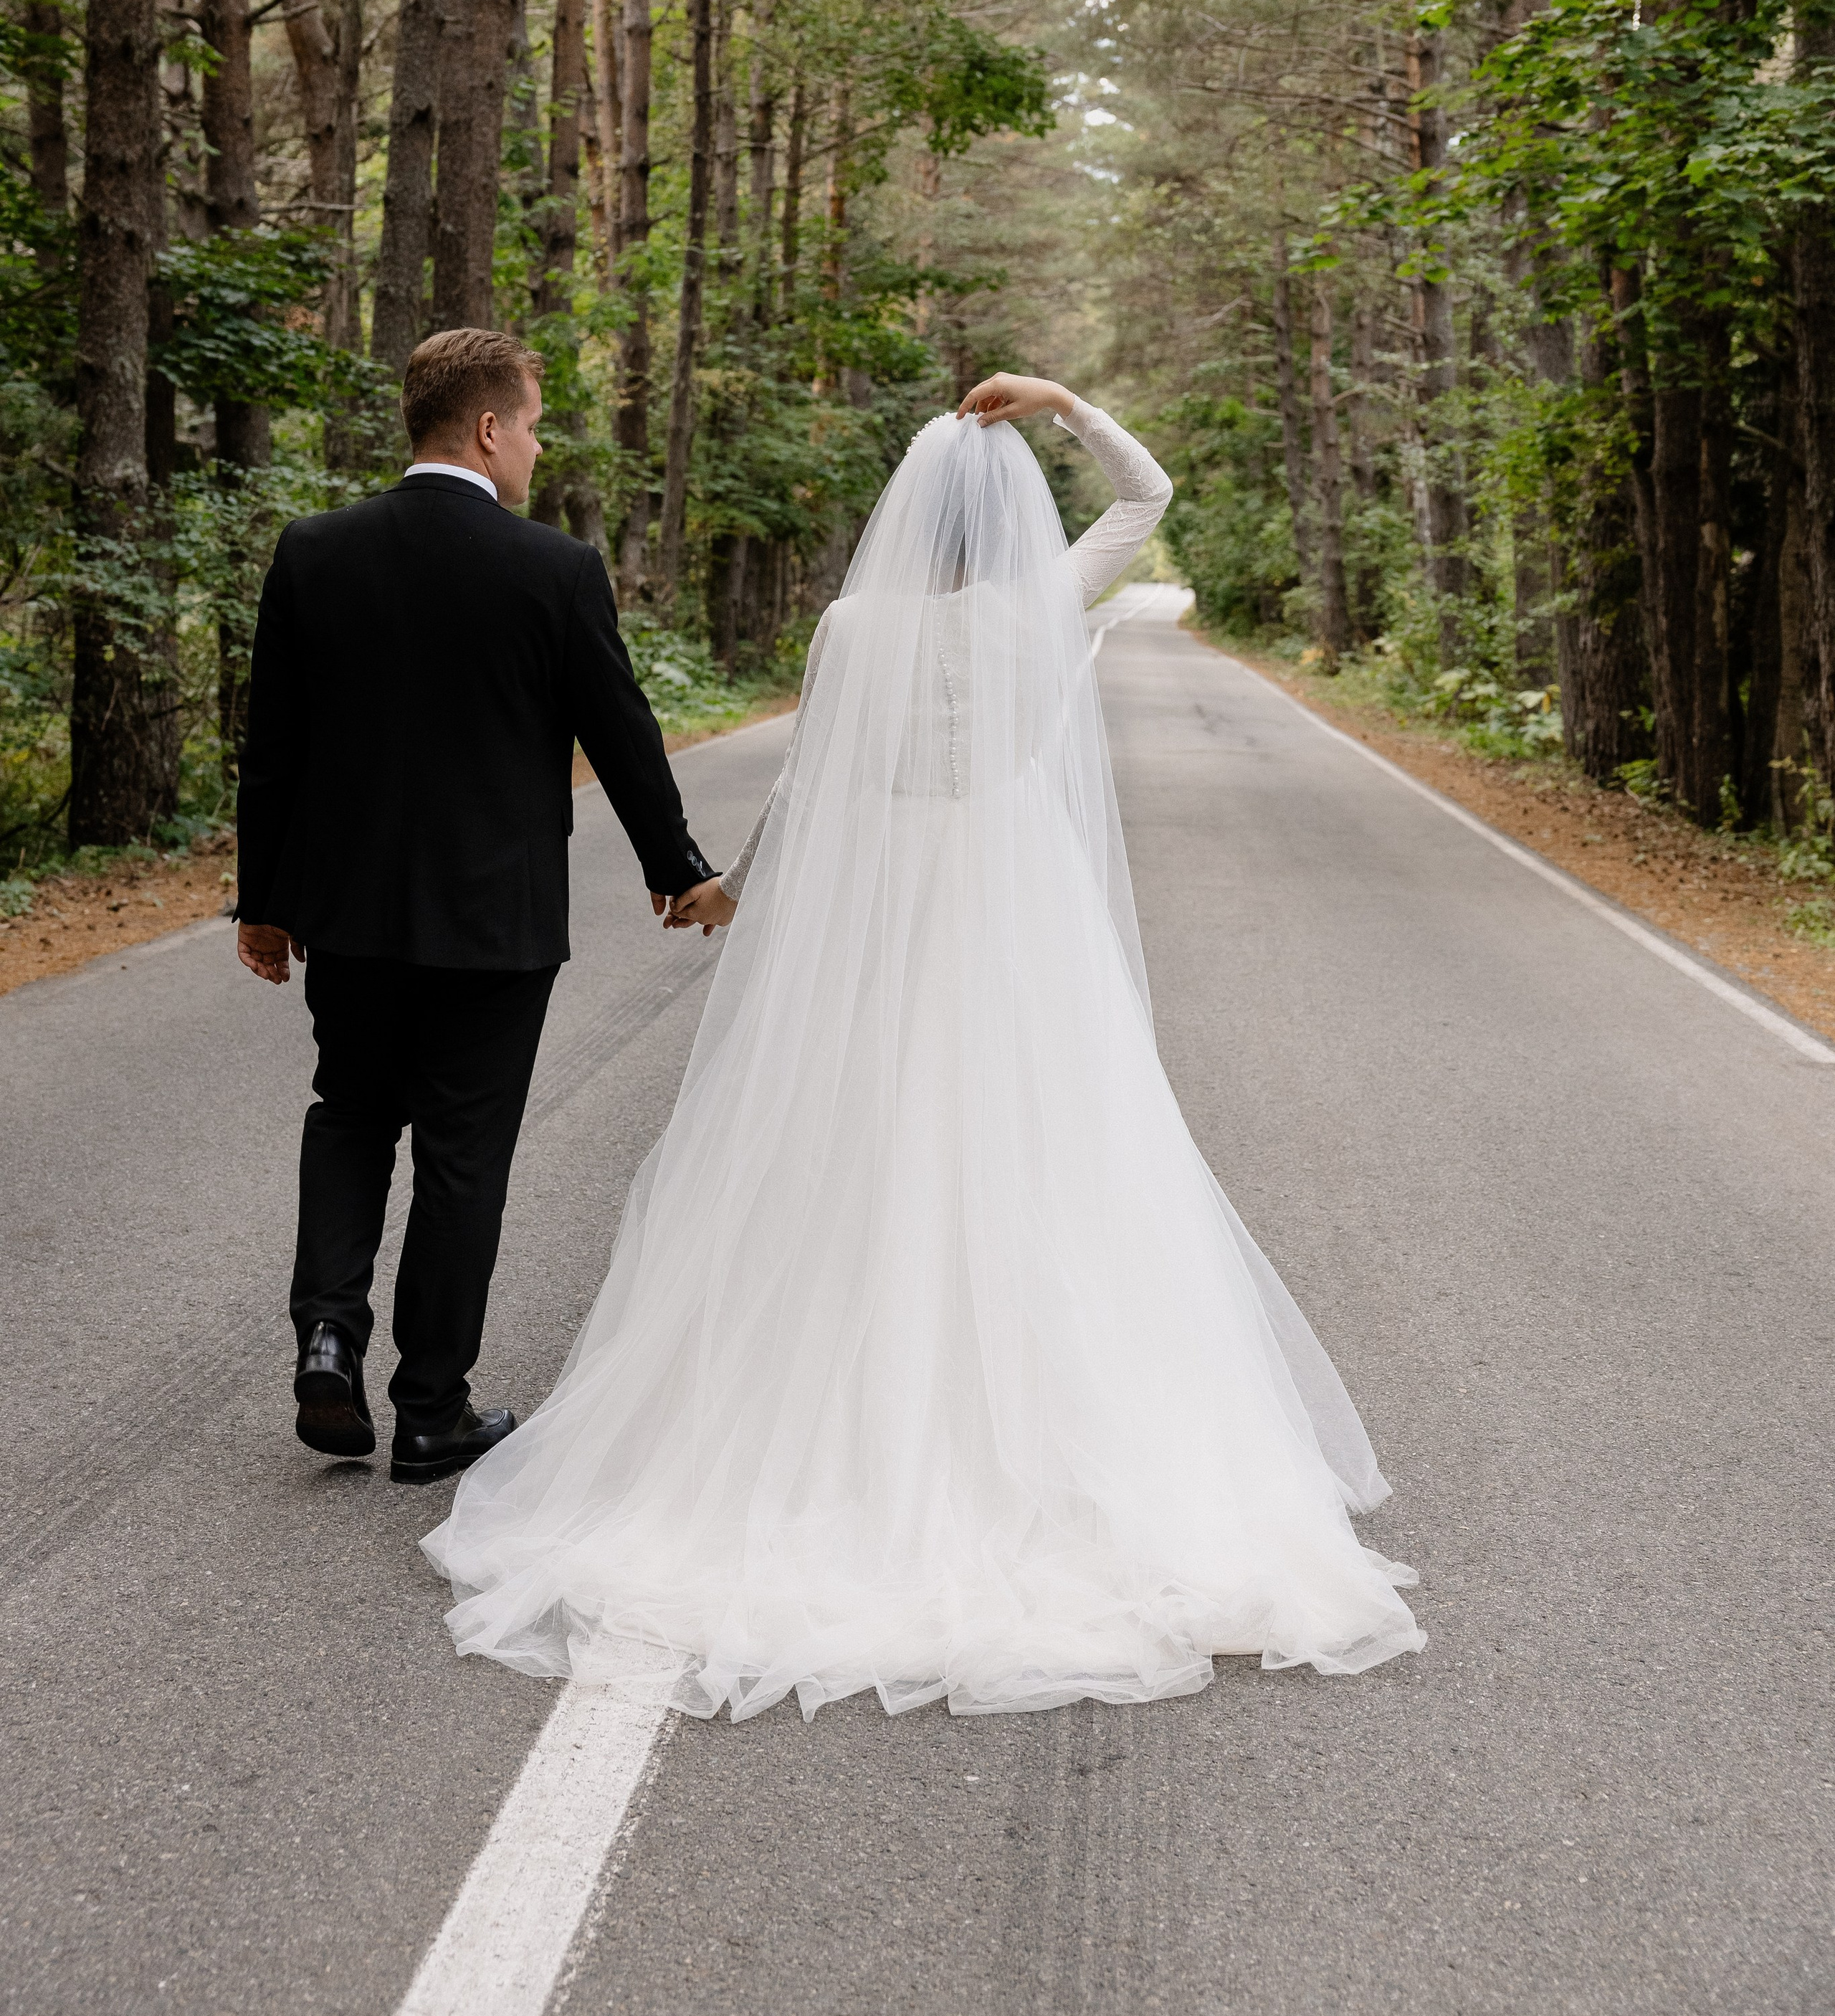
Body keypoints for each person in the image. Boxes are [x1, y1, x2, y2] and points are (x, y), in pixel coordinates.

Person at [424, 371, 1423, 1716]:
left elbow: (813, 779)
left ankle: (837, 1425)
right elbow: (1151, 496)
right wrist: (1062, 403)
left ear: (907, 516)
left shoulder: (851, 627)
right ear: (1004, 524)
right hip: (1015, 914)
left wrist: (743, 895)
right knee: (1041, 1154)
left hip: (884, 917)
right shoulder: (1037, 610)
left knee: (863, 1150)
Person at [235, 328, 715, 1485]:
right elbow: (621, 732)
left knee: (349, 1112)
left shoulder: (315, 551)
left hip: (347, 912)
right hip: (494, 925)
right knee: (463, 1156)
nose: (539, 451)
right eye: (536, 426)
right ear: (490, 427)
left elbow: (274, 747)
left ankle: (328, 1336)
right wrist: (678, 869)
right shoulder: (553, 570)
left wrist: (265, 900)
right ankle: (431, 1412)